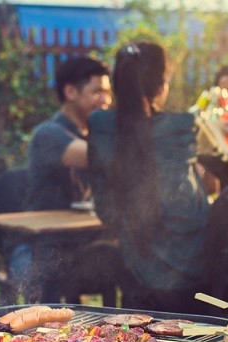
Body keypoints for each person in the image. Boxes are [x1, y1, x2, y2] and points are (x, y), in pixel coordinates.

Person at [87, 42, 212, 313]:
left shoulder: (100, 125)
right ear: (161, 85)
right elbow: (186, 210)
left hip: (135, 272)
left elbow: (106, 210)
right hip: (189, 277)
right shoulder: (179, 128)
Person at [13, 56, 112, 303]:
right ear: (70, 91)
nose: (105, 100)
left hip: (79, 245)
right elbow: (95, 157)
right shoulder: (49, 133)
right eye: (97, 92)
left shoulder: (94, 135)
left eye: (108, 93)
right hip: (39, 248)